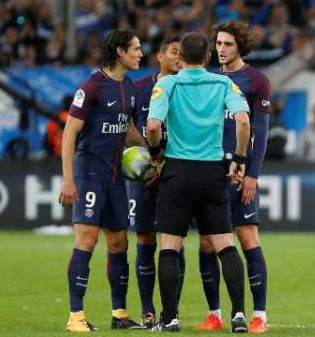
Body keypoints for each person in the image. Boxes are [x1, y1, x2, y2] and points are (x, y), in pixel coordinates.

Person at [146, 32, 250, 333]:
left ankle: (170, 318)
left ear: (180, 57)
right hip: (212, 172)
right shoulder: (223, 83)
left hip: (177, 170)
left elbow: (153, 126)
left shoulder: (166, 84)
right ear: (207, 57)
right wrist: (240, 160)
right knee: (224, 244)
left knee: (169, 245)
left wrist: (155, 152)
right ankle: (239, 316)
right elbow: (243, 121)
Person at [58, 29, 144, 332]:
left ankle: (119, 315)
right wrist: (69, 179)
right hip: (89, 175)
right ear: (119, 52)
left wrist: (153, 150)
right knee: (87, 240)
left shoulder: (130, 87)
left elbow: (129, 129)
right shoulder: (92, 86)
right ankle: (75, 317)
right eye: (135, 49)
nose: (140, 54)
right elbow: (70, 133)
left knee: (119, 242)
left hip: (116, 178)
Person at [194, 21, 271, 334]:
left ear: (240, 46)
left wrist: (252, 173)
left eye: (227, 44)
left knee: (247, 237)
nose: (221, 49)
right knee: (206, 244)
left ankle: (260, 316)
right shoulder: (208, 79)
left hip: (240, 175)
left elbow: (261, 131)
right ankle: (215, 314)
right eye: (218, 44)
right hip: (211, 172)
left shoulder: (256, 80)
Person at [128, 35, 181, 328]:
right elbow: (130, 125)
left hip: (175, 173)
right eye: (174, 52)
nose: (179, 58)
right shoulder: (138, 89)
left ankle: (172, 311)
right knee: (145, 238)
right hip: (144, 173)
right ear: (160, 56)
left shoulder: (186, 90)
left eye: (182, 54)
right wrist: (151, 154)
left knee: (174, 242)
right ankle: (148, 310)